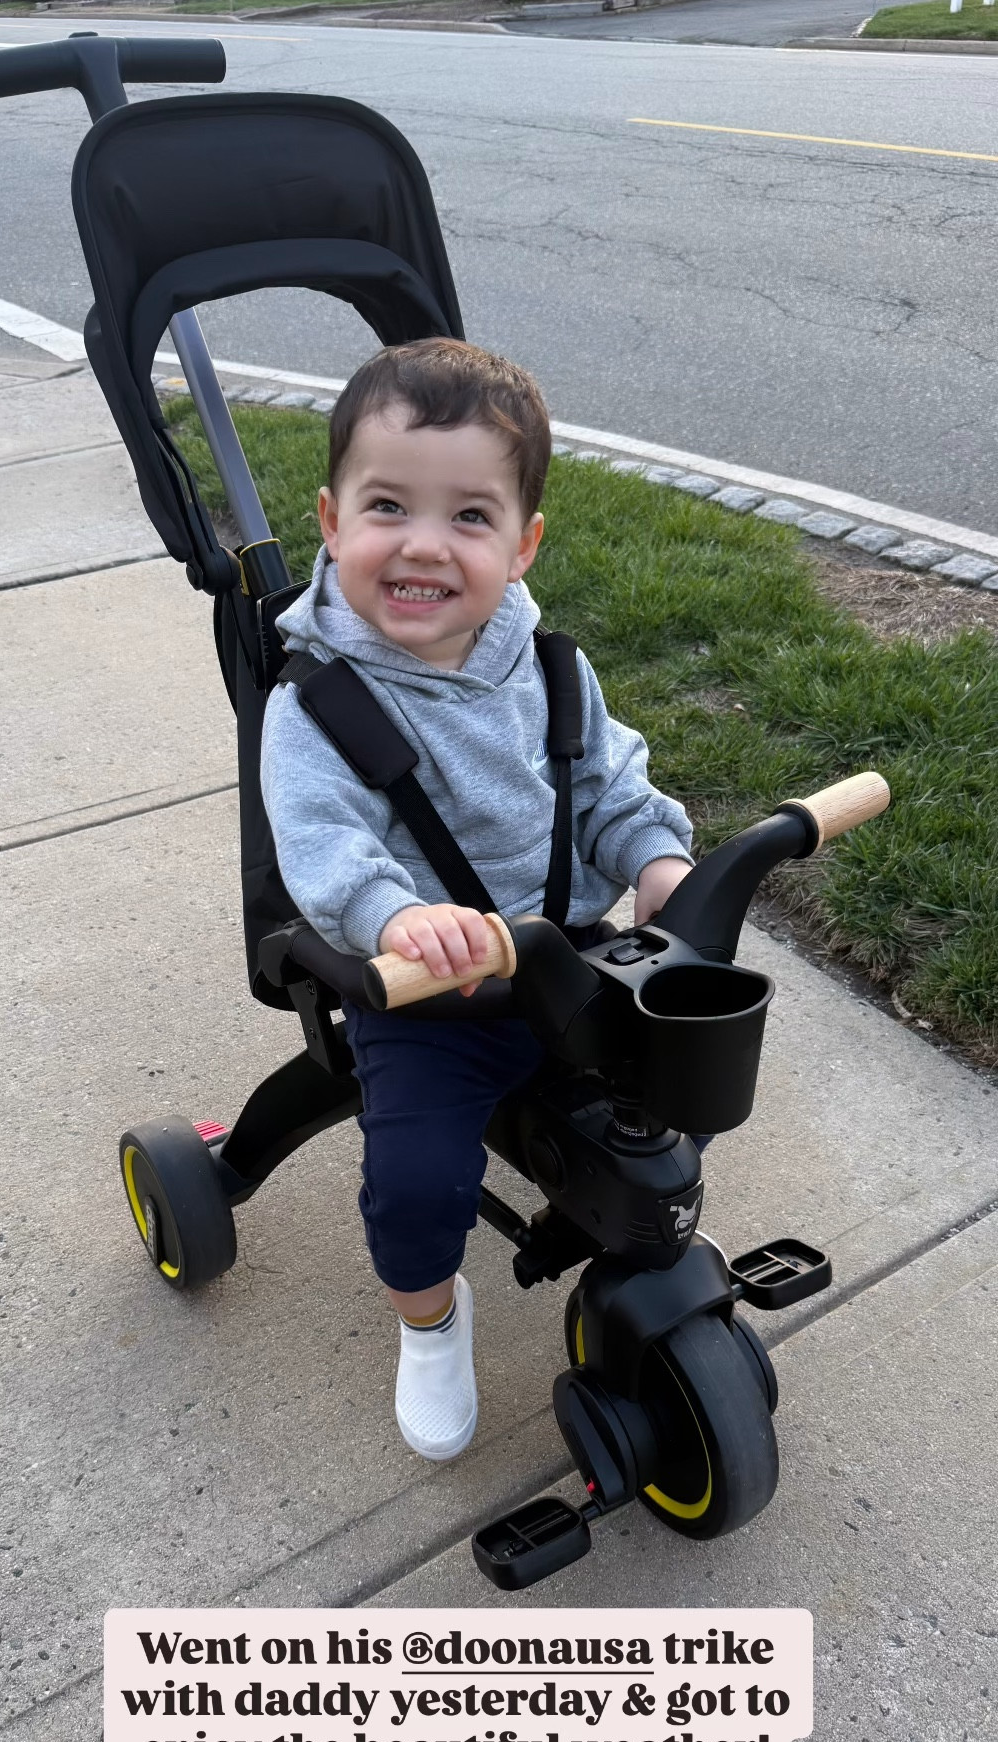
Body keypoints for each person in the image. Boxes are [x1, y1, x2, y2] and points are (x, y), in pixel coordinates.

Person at [261, 338, 694, 1465]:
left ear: (522, 542)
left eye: (468, 517)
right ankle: (429, 1319)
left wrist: (657, 863)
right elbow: (323, 844)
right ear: (331, 520)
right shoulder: (315, 705)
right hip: (431, 991)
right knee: (417, 1190)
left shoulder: (548, 665)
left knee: (685, 1083)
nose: (422, 544)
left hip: (570, 955)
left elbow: (607, 788)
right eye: (387, 506)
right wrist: (394, 917)